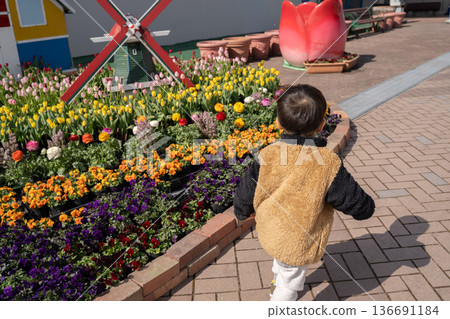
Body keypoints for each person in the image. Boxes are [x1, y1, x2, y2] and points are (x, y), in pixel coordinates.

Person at [233, 84, 375, 301]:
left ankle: (276, 280)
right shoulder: (327, 163)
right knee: (290, 281)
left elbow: (247, 189)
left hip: (270, 230)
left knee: (281, 262)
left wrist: (242, 212)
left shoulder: (268, 154)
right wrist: (365, 208)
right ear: (321, 124)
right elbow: (352, 199)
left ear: (278, 122)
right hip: (299, 239)